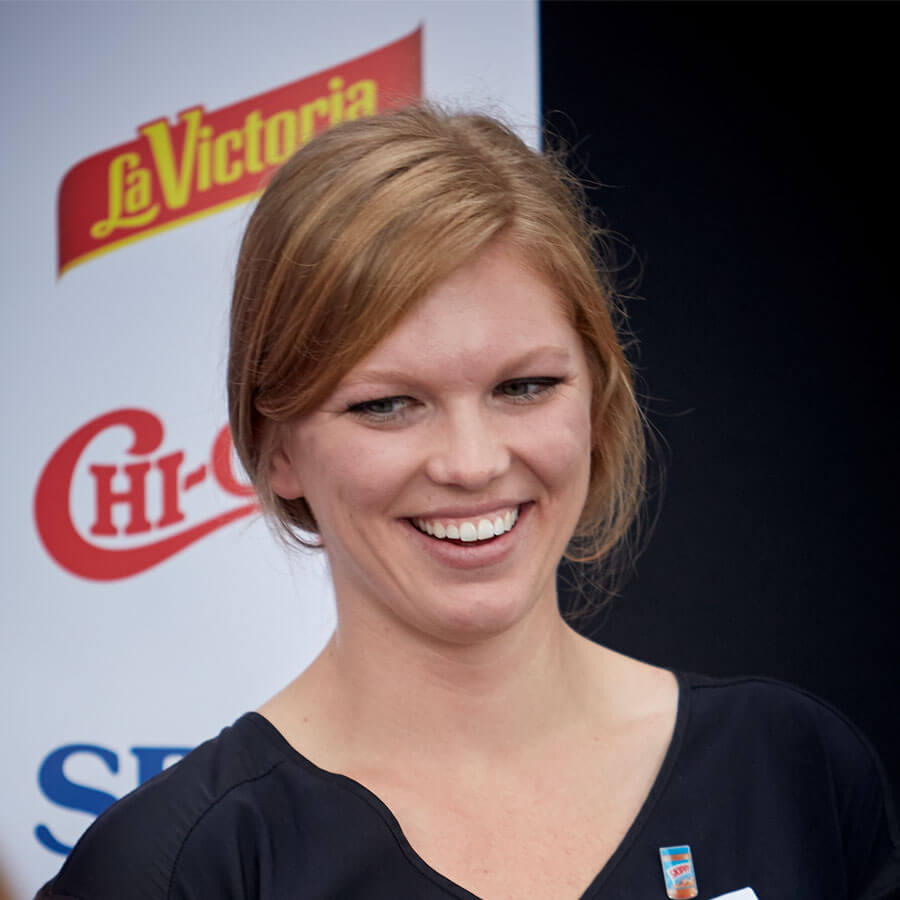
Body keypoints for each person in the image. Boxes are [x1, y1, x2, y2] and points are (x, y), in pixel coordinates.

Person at [38, 105, 899, 900]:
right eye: (386, 404)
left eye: (524, 386)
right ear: (275, 448)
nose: (473, 462)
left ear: (596, 399)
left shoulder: (792, 774)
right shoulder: (182, 864)